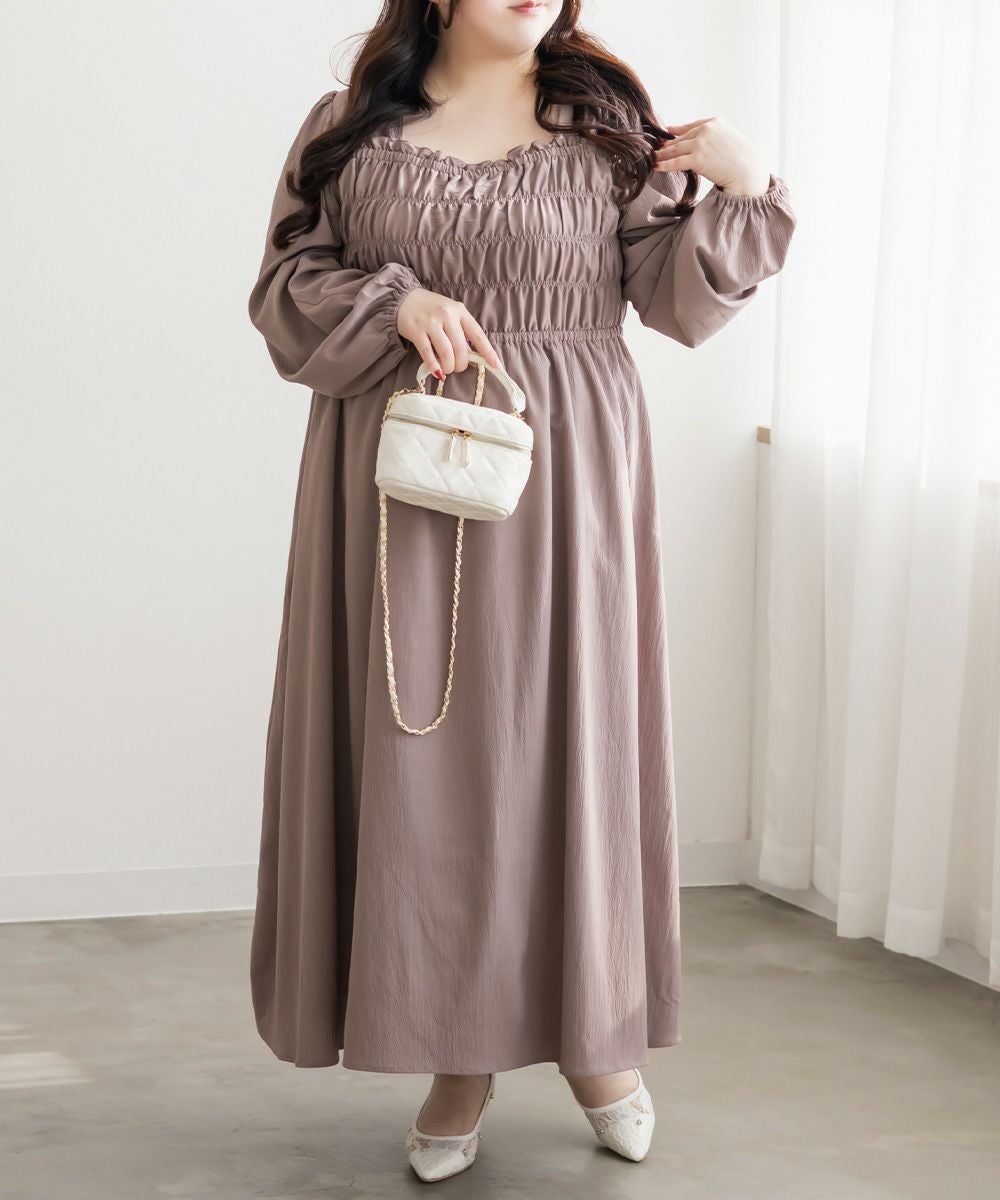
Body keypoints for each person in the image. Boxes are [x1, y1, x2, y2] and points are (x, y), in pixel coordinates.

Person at [247, 0, 796, 1182]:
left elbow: (677, 302)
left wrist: (748, 187)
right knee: (427, 757)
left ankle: (600, 1043)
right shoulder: (349, 128)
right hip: (396, 472)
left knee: (564, 753)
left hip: (568, 476)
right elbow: (287, 286)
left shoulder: (608, 128)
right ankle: (460, 1054)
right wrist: (397, 303)